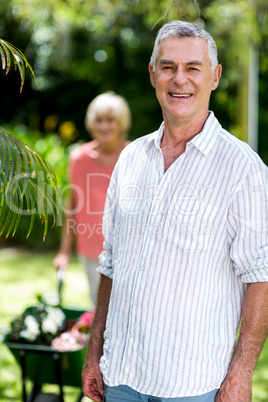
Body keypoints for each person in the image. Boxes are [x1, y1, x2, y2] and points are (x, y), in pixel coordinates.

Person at [82, 21, 268, 401]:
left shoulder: (244, 169)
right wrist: (94, 350)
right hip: (121, 375)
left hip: (194, 384)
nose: (179, 79)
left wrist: (241, 375)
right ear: (153, 75)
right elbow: (111, 261)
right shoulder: (131, 158)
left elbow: (260, 276)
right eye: (168, 67)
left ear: (214, 77)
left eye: (192, 68)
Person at [53, 92, 131, 306]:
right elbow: (72, 205)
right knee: (99, 309)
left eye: (110, 120)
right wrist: (63, 252)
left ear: (121, 123)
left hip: (130, 248)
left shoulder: (135, 154)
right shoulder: (79, 158)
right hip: (92, 249)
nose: (104, 126)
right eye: (99, 120)